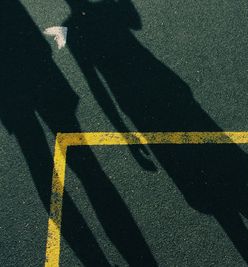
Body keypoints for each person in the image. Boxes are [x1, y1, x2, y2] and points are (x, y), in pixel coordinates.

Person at [64, 0, 248, 265]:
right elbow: (135, 23)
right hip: (166, 95)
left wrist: (124, 132)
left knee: (226, 213)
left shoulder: (74, 30)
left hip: (144, 110)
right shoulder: (105, 10)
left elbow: (97, 86)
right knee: (243, 199)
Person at [1, 1, 156, 265]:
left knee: (39, 159)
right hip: (33, 61)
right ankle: (136, 258)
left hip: (11, 78)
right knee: (85, 165)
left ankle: (99, 260)